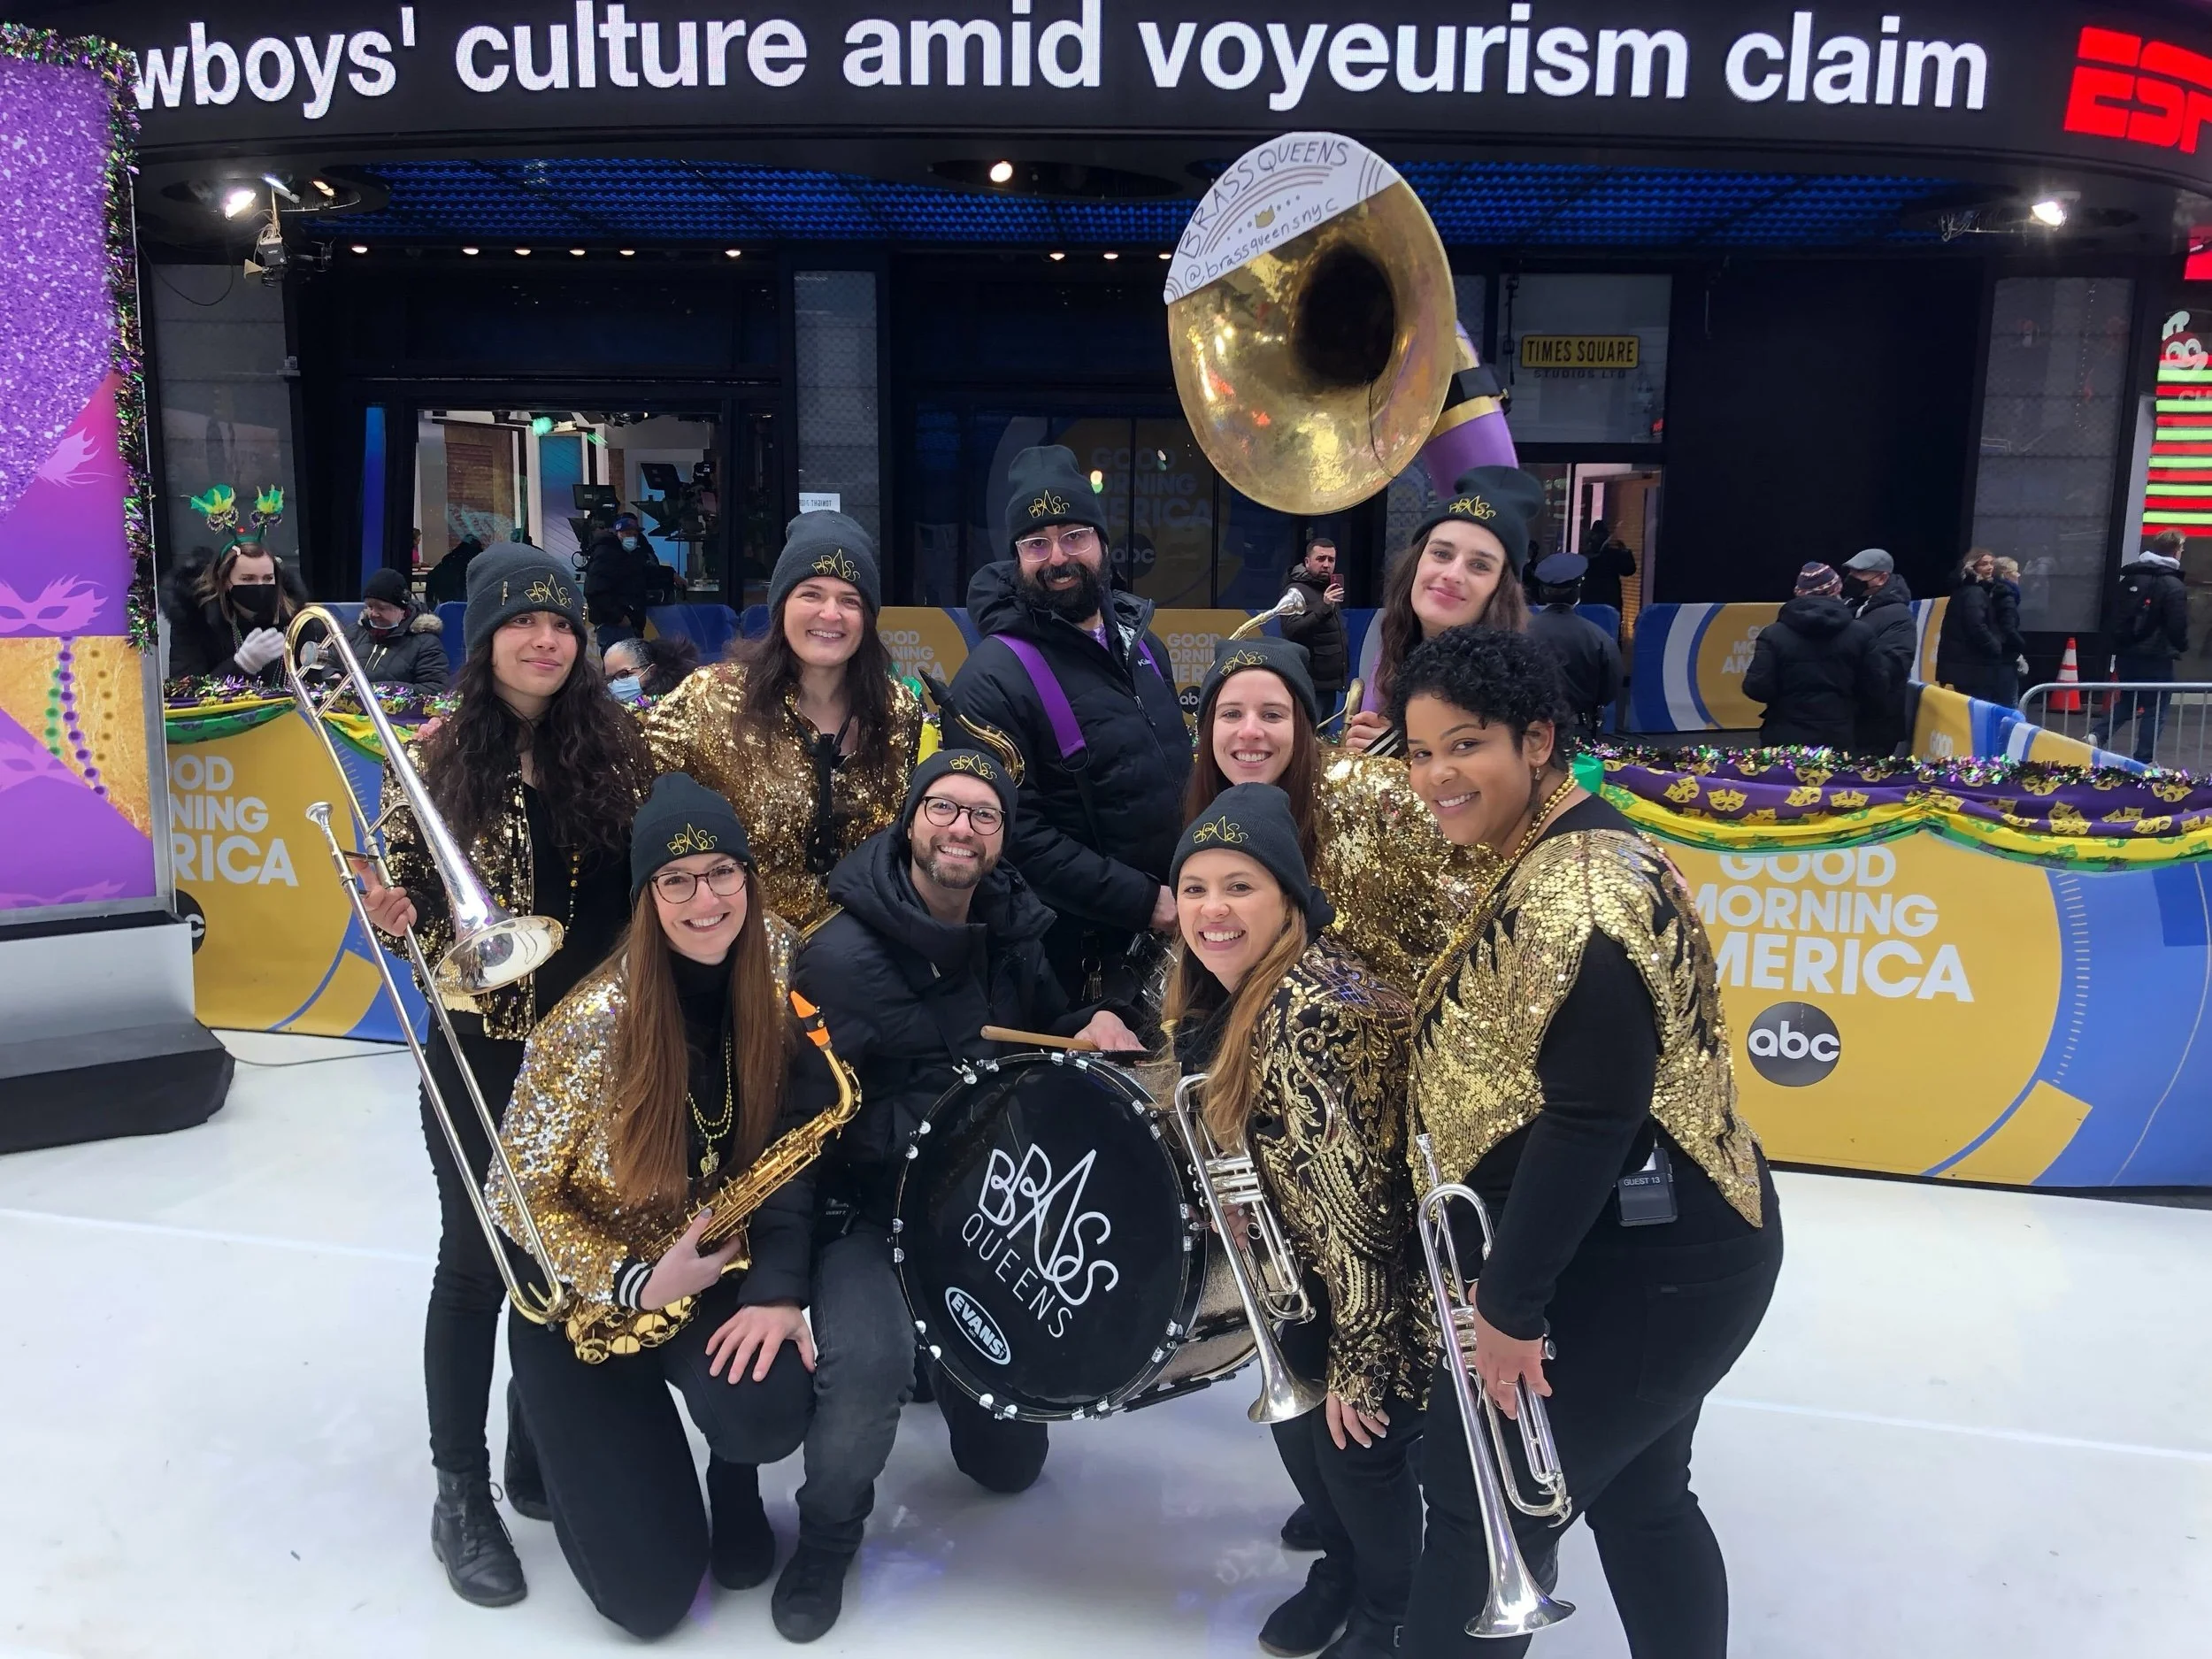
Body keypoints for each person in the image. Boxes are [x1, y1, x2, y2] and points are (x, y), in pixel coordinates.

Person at [1393, 626, 1782, 1658]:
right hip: (1657, 1249)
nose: (1437, 775)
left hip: (1644, 1264)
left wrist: (1507, 1312)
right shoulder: (1560, 846)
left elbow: (1593, 1118)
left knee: (1479, 1518)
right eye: (1420, 751)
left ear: (1536, 740)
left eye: (1464, 745)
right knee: (1644, 1497)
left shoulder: (1580, 890)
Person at [773, 748, 1143, 1640]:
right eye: (944, 807)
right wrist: (785, 1276)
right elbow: (797, 1129)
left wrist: (1078, 1029)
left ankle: (941, 1365)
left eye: (985, 815)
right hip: (868, 1209)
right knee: (864, 1369)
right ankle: (827, 1531)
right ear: (909, 821)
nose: (962, 828)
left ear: (1001, 838)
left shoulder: (1014, 926)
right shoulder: (835, 957)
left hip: (978, 1206)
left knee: (1009, 1468)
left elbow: (1032, 1042)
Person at [355, 545, 653, 1608]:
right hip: (480, 1047)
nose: (544, 640)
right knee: (479, 1263)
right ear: (483, 642)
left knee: (565, 1249)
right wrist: (396, 915)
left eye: (561, 624)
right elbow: (407, 902)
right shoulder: (431, 757)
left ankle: (538, 1447)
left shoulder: (617, 749)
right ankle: (460, 1491)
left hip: (588, 1051)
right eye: (521, 625)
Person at [489, 774, 827, 1640]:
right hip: (587, 1308)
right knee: (648, 1606)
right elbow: (512, 1197)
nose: (704, 898)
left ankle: (730, 1475)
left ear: (749, 880)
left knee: (766, 1410)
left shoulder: (783, 962)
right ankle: (554, 1428)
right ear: (647, 899)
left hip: (709, 1269)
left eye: (721, 871)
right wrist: (632, 1279)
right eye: (675, 881)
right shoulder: (590, 1023)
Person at [1165, 783, 1428, 1659]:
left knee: (1355, 1450)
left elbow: (1360, 1212)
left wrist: (1360, 1364)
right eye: (1195, 887)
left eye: (1238, 886)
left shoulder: (1312, 1007)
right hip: (1304, 1275)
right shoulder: (1232, 997)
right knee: (1300, 1432)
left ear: (1287, 897)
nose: (1212, 909)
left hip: (1384, 1289)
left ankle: (1391, 1612)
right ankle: (1344, 1570)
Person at [948, 445, 1194, 1002]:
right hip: (1074, 973)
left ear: (1103, 544)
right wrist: (1143, 901)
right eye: (1037, 543)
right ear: (1015, 559)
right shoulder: (991, 679)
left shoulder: (1146, 647)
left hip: (1176, 937)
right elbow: (1015, 837)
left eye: (1075, 536)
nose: (1058, 557)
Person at [647, 511, 923, 932]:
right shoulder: (712, 697)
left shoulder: (897, 710)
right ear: (781, 607)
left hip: (863, 958)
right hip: (741, 955)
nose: (831, 614)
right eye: (811, 594)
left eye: (850, 600)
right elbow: (631, 795)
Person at [1181, 634, 1494, 1000]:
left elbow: (1483, 909)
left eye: (1272, 714)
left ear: (1302, 725)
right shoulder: (1206, 808)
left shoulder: (1372, 792)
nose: (1250, 731)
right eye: (1231, 714)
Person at [1346, 465, 1540, 753]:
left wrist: (1398, 751)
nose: (1452, 574)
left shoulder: (1513, 690)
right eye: (1441, 554)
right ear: (1416, 562)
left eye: (1479, 565)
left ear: (1500, 591)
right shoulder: (1394, 644)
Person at [1741, 563, 1894, 752]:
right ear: (1837, 589)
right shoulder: (1861, 633)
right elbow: (1876, 688)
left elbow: (1756, 688)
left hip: (1783, 737)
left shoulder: (1773, 635)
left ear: (1799, 593)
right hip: (1838, 737)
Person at [2094, 533, 2193, 764]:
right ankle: (2144, 758)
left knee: (2129, 700)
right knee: (2156, 707)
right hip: (2156, 656)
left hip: (2127, 652)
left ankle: (2097, 735)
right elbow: (2177, 623)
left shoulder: (2130, 578)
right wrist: (2182, 645)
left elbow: (2113, 612)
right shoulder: (2173, 584)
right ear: (2176, 550)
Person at [158, 534, 307, 687]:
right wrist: (242, 665)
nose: (260, 586)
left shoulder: (296, 618)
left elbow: (315, 678)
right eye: (248, 579)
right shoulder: (194, 620)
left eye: (268, 578)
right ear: (225, 581)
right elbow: (185, 693)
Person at [1524, 554, 1623, 740]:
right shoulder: (1597, 636)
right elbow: (1609, 690)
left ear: (1543, 592)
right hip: (1578, 730)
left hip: (1527, 729)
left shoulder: (1520, 632)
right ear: (1577, 592)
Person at [1841, 549, 1916, 756]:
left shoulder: (1898, 615)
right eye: (1851, 572)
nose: (1852, 578)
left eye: (1860, 573)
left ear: (1882, 577)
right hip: (1850, 717)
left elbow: (1893, 665)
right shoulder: (1849, 605)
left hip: (1876, 722)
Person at [345, 567, 450, 692]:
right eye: (370, 606)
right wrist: (332, 676)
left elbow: (436, 687)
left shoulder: (426, 644)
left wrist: (383, 691)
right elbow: (328, 663)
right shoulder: (355, 632)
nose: (373, 613)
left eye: (381, 608)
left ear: (402, 609)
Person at [1936, 547, 2016, 706]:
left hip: (1966, 667)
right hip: (1973, 668)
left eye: (1992, 563)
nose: (1990, 567)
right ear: (1972, 568)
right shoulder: (1975, 593)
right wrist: (1996, 647)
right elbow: (1976, 626)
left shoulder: (1965, 590)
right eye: (1984, 564)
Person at [1281, 535, 1351, 710]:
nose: (1326, 565)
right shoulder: (1295, 591)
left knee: (1324, 735)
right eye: (1320, 559)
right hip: (1309, 683)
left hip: (1330, 683)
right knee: (1310, 734)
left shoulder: (1327, 588)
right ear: (1307, 561)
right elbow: (1291, 630)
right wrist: (1324, 607)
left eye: (1331, 560)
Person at [584, 512, 662, 649]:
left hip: (632, 623)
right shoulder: (606, 554)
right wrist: (619, 617)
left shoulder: (633, 555)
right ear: (617, 533)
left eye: (634, 534)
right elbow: (595, 591)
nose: (631, 537)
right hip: (613, 625)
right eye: (627, 533)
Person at [605, 634, 701, 703]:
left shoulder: (684, 702)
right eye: (610, 679)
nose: (615, 684)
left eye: (623, 675)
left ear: (651, 671)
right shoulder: (614, 717)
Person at [1581, 523, 1637, 619]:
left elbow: (1628, 570)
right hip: (1601, 598)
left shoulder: (1611, 554)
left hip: (1605, 598)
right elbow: (1628, 570)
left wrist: (1624, 553)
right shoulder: (1589, 555)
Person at [423, 533, 483, 608]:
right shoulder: (471, 559)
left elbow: (432, 576)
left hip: (447, 597)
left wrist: (431, 605)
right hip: (458, 595)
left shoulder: (450, 559)